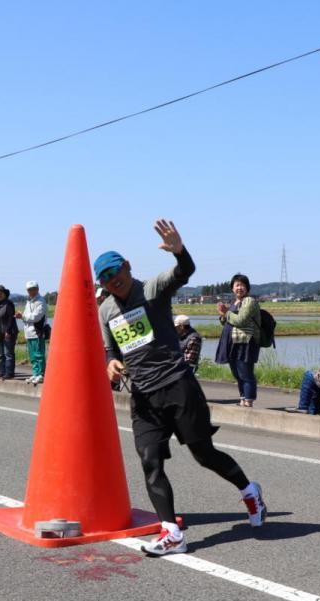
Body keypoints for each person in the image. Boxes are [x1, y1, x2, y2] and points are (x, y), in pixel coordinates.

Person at [97, 219, 266, 556]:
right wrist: (111, 364)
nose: (114, 283)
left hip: (178, 385)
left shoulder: (152, 290)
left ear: (128, 266)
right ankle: (171, 533)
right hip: (143, 395)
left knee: (203, 454)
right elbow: (111, 349)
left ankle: (249, 490)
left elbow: (184, 271)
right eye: (107, 281)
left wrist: (179, 252)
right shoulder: (105, 310)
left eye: (117, 275)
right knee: (150, 460)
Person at [215, 274, 261, 407]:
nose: (239, 288)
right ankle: (242, 398)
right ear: (232, 288)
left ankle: (249, 400)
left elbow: (241, 320)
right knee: (237, 373)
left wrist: (226, 313)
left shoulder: (249, 302)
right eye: (237, 285)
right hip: (232, 342)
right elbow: (227, 322)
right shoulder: (234, 302)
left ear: (247, 288)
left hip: (245, 342)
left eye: (242, 285)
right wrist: (223, 314)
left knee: (245, 372)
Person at [20, 281, 48, 384]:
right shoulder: (29, 301)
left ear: (37, 289)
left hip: (38, 332)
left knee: (39, 354)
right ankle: (36, 373)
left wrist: (23, 317)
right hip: (29, 333)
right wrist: (22, 316)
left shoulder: (40, 301)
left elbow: (36, 317)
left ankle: (41, 374)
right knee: (32, 356)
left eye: (33, 289)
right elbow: (26, 315)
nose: (31, 291)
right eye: (29, 289)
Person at [0, 285, 18, 380]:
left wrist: (8, 331)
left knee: (8, 354)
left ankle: (9, 373)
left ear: (5, 294)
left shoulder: (9, 304)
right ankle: (1, 372)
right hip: (0, 333)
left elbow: (11, 319)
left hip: (9, 332)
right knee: (0, 354)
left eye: (1, 293)